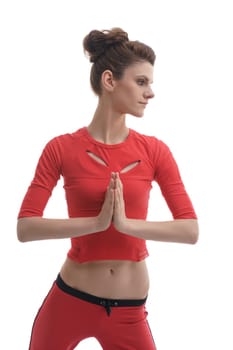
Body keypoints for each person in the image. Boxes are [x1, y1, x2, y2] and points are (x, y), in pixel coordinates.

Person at [17, 27, 199, 350]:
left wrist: (127, 225)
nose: (150, 92)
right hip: (70, 301)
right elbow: (25, 227)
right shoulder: (61, 149)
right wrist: (96, 223)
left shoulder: (155, 151)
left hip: (129, 311)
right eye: (141, 82)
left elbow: (190, 230)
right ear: (110, 81)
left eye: (150, 83)